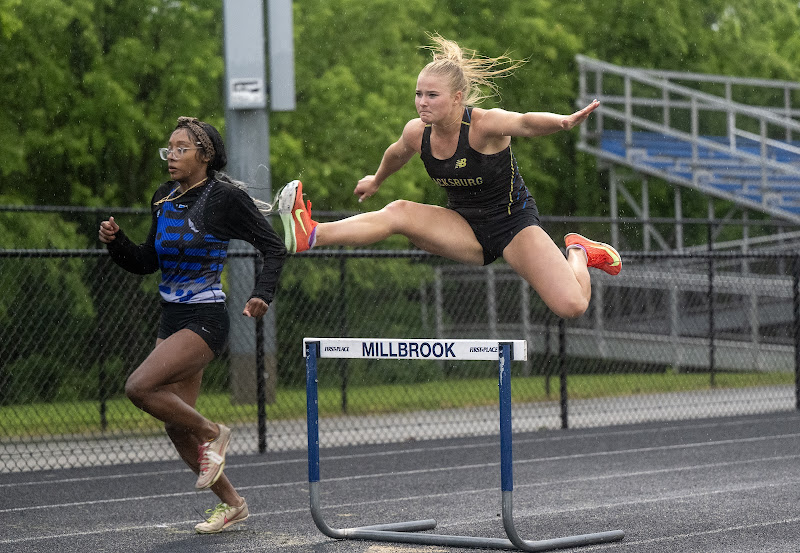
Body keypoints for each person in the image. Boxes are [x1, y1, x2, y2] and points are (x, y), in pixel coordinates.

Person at [278, 35, 620, 321]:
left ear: (457, 98)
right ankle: (313, 234)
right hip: (463, 225)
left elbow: (526, 122)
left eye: (432, 95)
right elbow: (396, 154)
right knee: (398, 211)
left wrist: (561, 122)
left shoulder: (485, 125)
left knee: (572, 306)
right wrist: (377, 180)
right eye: (418, 94)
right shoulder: (417, 132)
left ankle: (578, 250)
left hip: (513, 224)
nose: (422, 103)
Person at [98, 116, 287, 533]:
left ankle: (214, 431)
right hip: (172, 317)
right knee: (176, 426)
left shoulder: (222, 198)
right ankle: (234, 504)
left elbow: (273, 247)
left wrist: (261, 294)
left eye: (181, 148)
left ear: (205, 155)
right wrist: (117, 244)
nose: (171, 156)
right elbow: (148, 261)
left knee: (138, 387)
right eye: (169, 148)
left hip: (205, 319)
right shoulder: (163, 196)